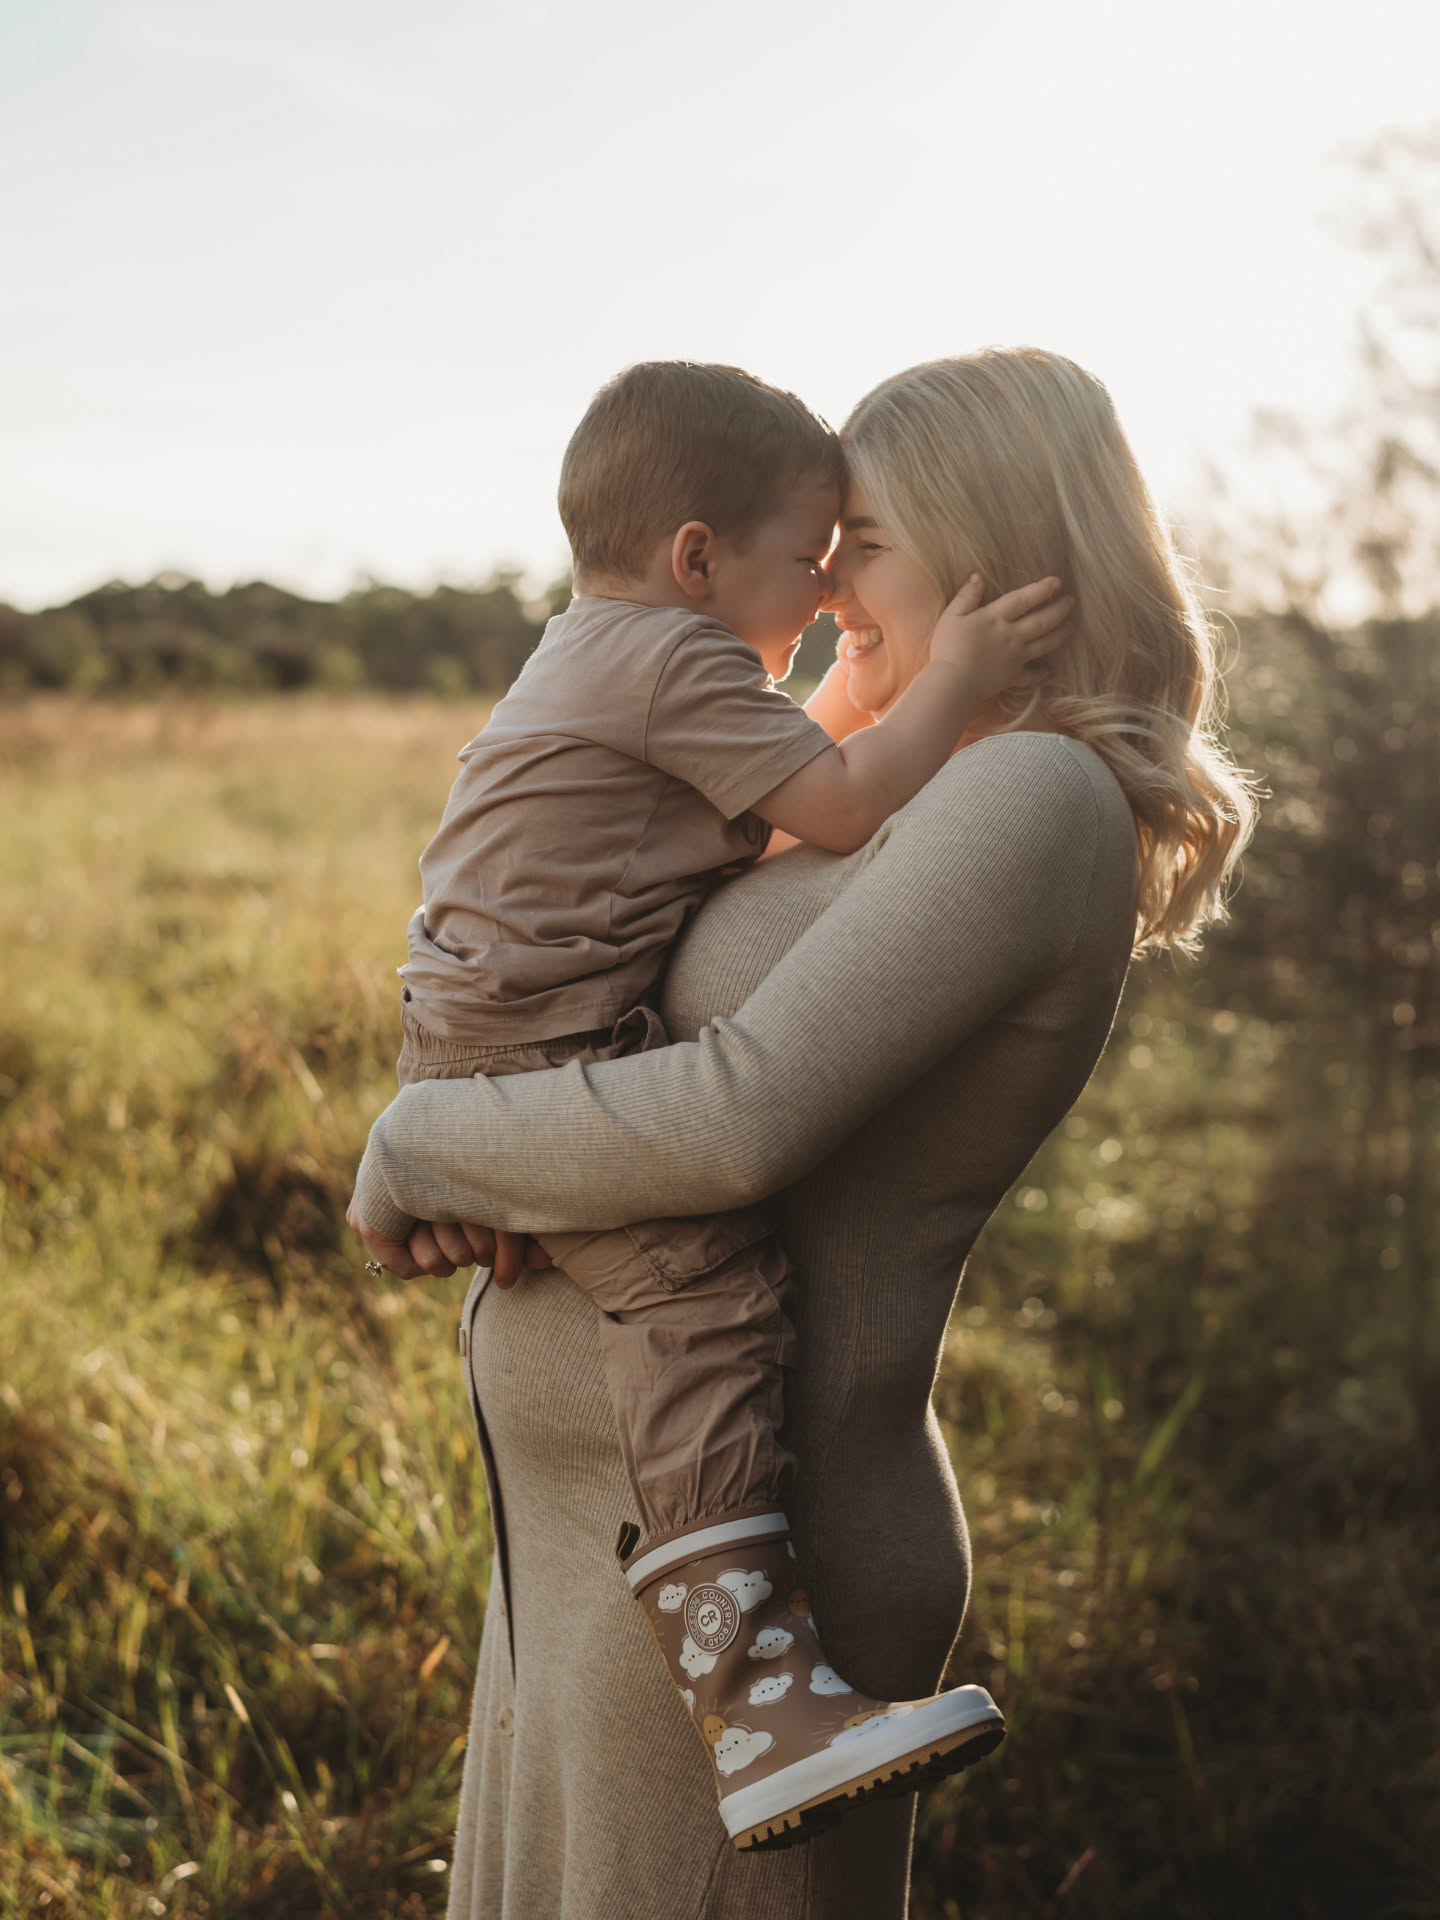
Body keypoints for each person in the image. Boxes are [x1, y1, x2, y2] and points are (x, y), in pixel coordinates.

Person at [348, 347, 1258, 1920]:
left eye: (869, 549)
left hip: (771, 1576)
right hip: (604, 1543)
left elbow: (742, 1117)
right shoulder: (915, 778)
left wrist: (429, 1143)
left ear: (997, 560)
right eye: (821, 554)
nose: (835, 591)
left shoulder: (1033, 795)